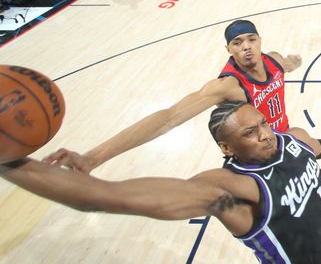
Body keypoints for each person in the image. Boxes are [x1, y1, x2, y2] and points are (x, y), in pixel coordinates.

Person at [3, 102, 321, 264]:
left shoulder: (289, 139)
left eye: (262, 122)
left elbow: (318, 147)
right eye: (250, 132)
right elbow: (105, 196)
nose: (265, 134)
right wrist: (11, 164)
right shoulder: (230, 189)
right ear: (227, 148)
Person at [44, 20, 303, 173]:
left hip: (280, 139)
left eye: (251, 39)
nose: (246, 46)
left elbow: (289, 63)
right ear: (228, 49)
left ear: (260, 41)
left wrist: (295, 59)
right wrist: (93, 158)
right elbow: (168, 119)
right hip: (254, 157)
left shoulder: (274, 62)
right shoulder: (227, 86)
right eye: (237, 42)